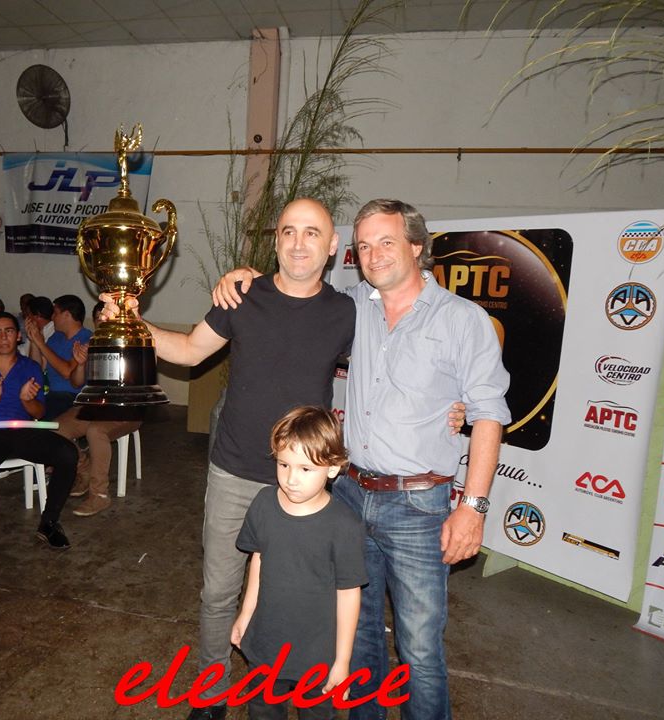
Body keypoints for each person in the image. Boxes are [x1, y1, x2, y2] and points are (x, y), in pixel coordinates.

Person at [104, 198, 460, 720]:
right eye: (289, 231)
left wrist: (451, 404)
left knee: (307, 596)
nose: (298, 243)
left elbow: (395, 361)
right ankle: (211, 692)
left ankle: (301, 684)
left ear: (333, 246)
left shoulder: (348, 311)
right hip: (234, 471)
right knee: (219, 593)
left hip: (308, 483)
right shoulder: (242, 296)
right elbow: (187, 351)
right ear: (275, 241)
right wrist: (131, 322)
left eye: (312, 232)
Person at [215, 199, 510, 720]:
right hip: (350, 494)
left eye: (387, 242)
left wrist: (474, 507)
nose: (374, 255)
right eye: (365, 246)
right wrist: (245, 277)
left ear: (417, 247)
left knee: (420, 649)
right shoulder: (353, 307)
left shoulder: (463, 320)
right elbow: (296, 286)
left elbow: (489, 414)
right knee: (360, 635)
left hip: (419, 505)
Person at [232, 406, 367, 720]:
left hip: (317, 655)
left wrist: (342, 661)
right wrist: (245, 614)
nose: (291, 479)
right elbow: (258, 559)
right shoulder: (263, 504)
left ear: (332, 468)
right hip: (266, 645)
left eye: (306, 469)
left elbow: (349, 593)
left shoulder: (344, 525)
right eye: (284, 464)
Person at [0, 311, 77, 561]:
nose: (3, 337)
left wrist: (26, 401)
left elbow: (39, 412)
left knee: (68, 453)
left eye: (9, 331)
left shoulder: (30, 367)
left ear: (18, 335)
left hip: (22, 431)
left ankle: (49, 522)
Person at [57, 333, 141, 516]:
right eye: (100, 322)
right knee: (56, 427)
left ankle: (99, 494)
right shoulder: (94, 346)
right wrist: (81, 364)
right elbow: (76, 382)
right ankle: (83, 469)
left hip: (127, 409)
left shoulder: (137, 346)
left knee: (96, 431)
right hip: (94, 406)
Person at [26, 294, 91, 420]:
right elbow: (37, 367)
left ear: (66, 315)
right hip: (50, 394)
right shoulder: (56, 337)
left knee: (47, 410)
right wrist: (34, 340)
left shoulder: (87, 339)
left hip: (73, 396)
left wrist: (41, 343)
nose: (52, 318)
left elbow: (67, 372)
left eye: (55, 313)